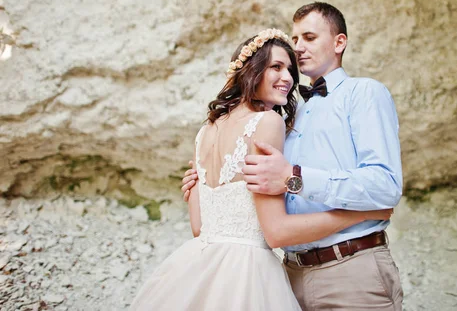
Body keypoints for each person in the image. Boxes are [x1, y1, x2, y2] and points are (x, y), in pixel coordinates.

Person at [132, 28, 392, 311]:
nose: (288, 78)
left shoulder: (205, 130)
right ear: (251, 71)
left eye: (290, 70)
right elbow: (276, 232)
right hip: (247, 272)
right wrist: (363, 213)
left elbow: (199, 227)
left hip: (199, 264)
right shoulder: (267, 122)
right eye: (276, 67)